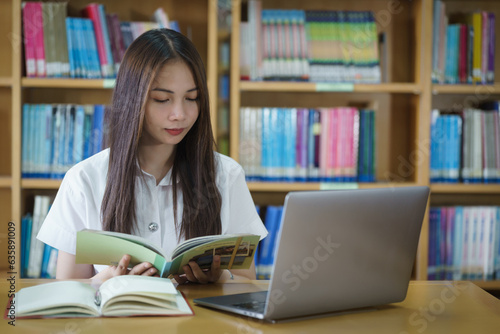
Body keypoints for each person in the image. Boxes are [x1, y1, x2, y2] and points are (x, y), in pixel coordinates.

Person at [37, 28, 267, 284]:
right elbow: (67, 291)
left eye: (192, 98)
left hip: (200, 324)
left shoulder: (226, 175)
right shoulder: (83, 180)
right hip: (116, 323)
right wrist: (103, 280)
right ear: (133, 99)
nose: (179, 113)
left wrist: (221, 277)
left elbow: (249, 283)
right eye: (162, 99)